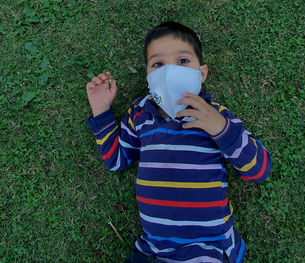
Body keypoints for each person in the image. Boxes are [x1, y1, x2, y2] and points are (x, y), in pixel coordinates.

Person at [86, 21, 271, 263]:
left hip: (209, 248)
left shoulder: (215, 114)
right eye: (158, 64)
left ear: (201, 73)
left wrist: (220, 128)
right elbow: (117, 160)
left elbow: (260, 170)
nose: (170, 72)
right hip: (153, 249)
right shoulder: (140, 114)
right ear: (148, 76)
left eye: (182, 61)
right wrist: (101, 112)